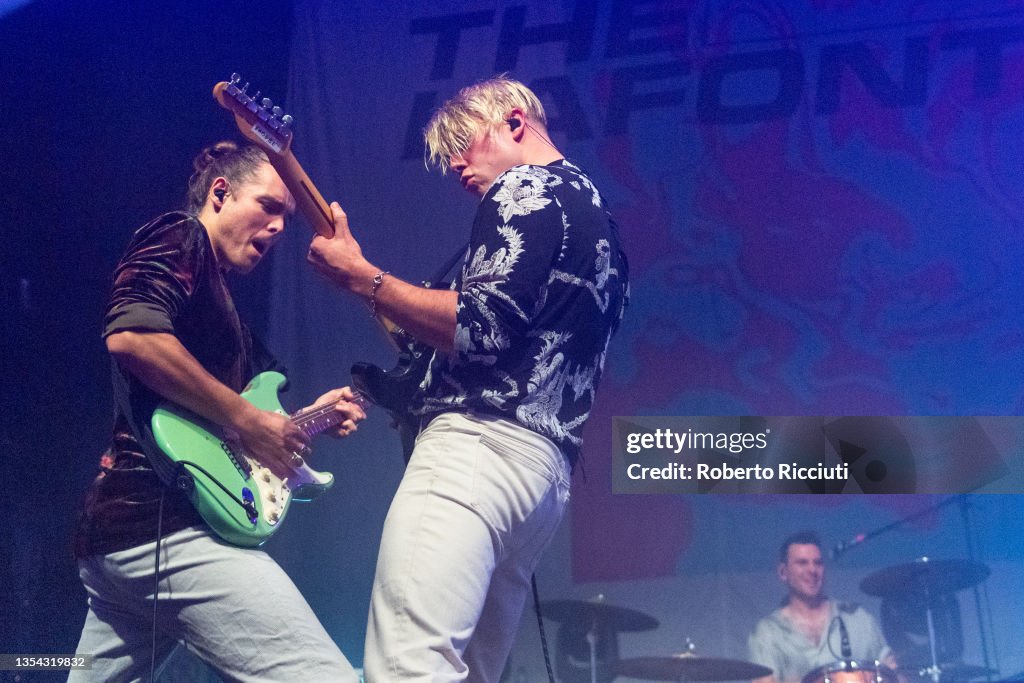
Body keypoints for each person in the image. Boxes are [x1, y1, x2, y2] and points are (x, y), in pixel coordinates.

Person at [307, 75, 629, 681]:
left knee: (411, 664)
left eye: (464, 140)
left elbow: (479, 328)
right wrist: (374, 288)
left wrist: (362, 277)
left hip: (476, 452)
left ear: (515, 122)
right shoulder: (597, 219)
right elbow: (494, 340)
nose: (455, 162)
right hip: (542, 476)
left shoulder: (521, 190)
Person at [71, 141, 365, 682]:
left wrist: (312, 416)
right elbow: (133, 336)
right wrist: (251, 422)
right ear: (220, 193)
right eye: (269, 206)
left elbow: (238, 425)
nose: (279, 227)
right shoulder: (181, 236)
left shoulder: (224, 309)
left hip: (115, 541)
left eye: (287, 218)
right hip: (166, 526)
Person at [749, 531, 897, 683]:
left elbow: (891, 672)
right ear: (783, 572)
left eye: (818, 563)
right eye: (802, 563)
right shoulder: (767, 633)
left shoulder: (858, 619)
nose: (812, 570)